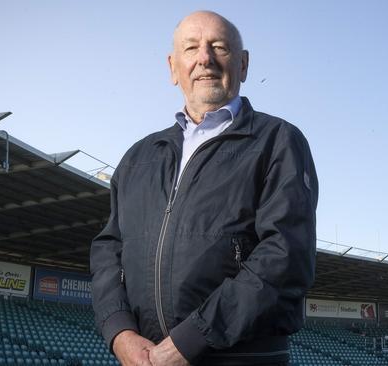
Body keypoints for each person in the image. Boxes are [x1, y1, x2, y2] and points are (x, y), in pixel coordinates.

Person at [90, 10, 318, 366]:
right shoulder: (138, 157)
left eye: (219, 47)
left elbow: (285, 255)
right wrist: (119, 332)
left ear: (242, 64)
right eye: (191, 48)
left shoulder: (278, 141)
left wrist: (191, 339)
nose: (205, 59)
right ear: (172, 67)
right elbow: (108, 250)